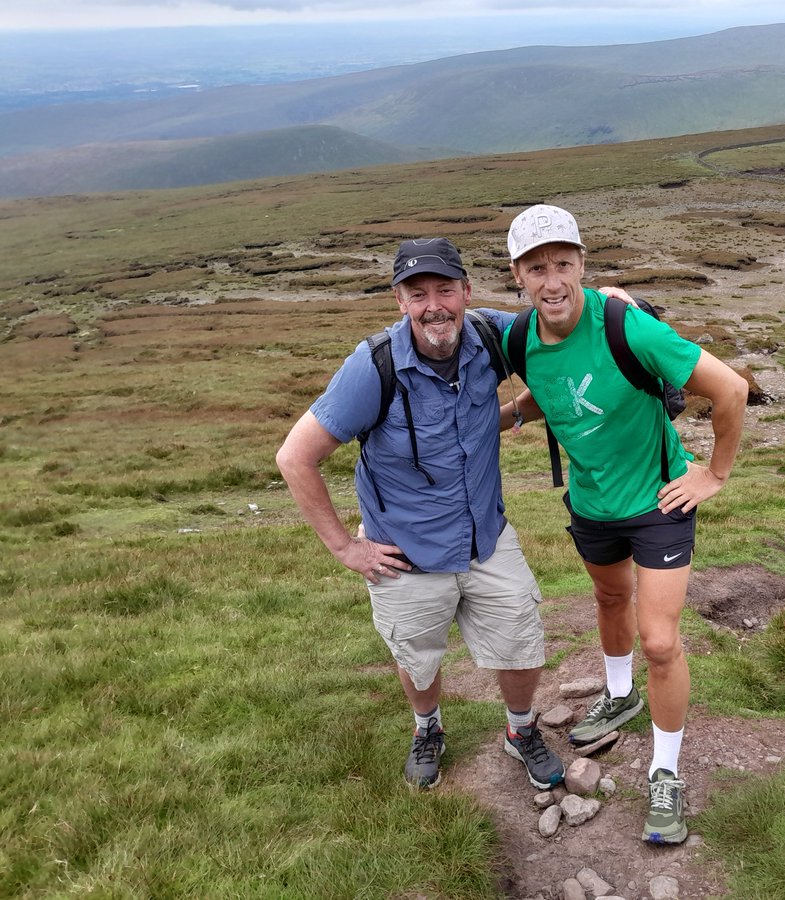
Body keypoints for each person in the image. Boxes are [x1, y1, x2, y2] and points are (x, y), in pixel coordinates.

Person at [275, 236, 565, 792]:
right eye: (417, 292)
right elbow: (295, 457)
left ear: (467, 292)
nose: (434, 304)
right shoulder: (374, 365)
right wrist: (345, 547)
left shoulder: (491, 335)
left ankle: (520, 731)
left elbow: (565, 327)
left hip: (486, 538)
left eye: (445, 289)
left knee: (522, 643)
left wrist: (615, 302)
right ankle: (426, 728)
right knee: (419, 657)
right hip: (403, 551)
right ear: (399, 300)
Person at [503, 204, 749, 844]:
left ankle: (666, 773)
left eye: (562, 264)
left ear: (582, 265)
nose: (551, 280)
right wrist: (509, 417)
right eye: (537, 268)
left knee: (661, 641)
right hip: (589, 505)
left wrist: (714, 474)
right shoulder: (515, 339)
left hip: (659, 503)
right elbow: (554, 385)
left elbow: (730, 389)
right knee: (609, 597)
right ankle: (620, 693)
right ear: (518, 277)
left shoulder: (627, 327)